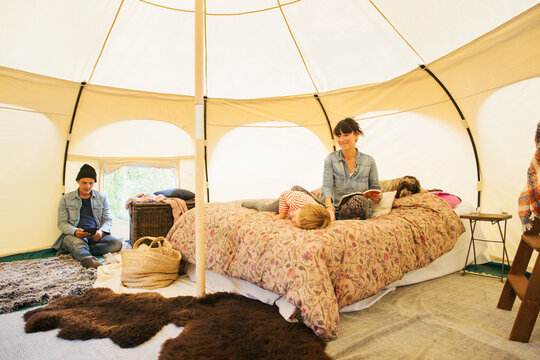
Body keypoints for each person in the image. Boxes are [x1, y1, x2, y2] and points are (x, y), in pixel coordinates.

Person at [53, 164, 123, 268]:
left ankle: (77, 251)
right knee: (78, 243)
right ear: (78, 181)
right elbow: (62, 223)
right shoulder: (66, 199)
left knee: (117, 244)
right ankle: (88, 259)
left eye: (91, 183)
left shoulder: (102, 197)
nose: (87, 186)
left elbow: (107, 219)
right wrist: (75, 231)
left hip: (94, 235)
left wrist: (101, 232)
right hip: (74, 235)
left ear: (94, 182)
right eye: (84, 183)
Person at [322, 118, 381, 220]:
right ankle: (334, 217)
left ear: (356, 135)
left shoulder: (369, 161)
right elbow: (327, 187)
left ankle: (344, 218)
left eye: (346, 135)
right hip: (336, 210)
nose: (342, 140)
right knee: (296, 191)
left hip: (359, 207)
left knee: (359, 200)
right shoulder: (330, 159)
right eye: (339, 136)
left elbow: (376, 188)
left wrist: (377, 196)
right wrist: (329, 207)